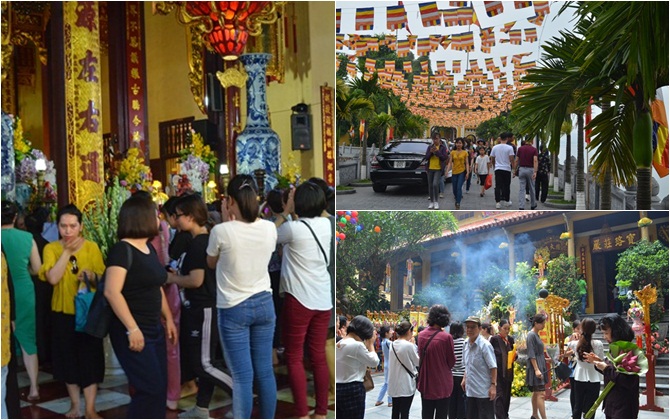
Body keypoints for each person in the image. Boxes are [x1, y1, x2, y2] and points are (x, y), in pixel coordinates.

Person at [206, 175, 278, 419]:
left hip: (234, 308)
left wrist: (227, 222)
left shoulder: (220, 231)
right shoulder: (269, 228)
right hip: (265, 304)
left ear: (230, 201)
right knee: (265, 372)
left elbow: (211, 262)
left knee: (242, 377)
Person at [105, 194, 178, 418]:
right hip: (132, 330)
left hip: (153, 327)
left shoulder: (149, 248)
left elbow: (156, 285)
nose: (159, 218)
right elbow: (111, 291)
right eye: (155, 213)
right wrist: (132, 328)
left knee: (158, 389)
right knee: (150, 388)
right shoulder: (122, 250)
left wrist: (167, 318)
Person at [167, 194, 232, 419]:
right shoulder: (199, 241)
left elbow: (196, 280)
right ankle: (202, 408)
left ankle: (241, 390)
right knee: (204, 360)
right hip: (199, 307)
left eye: (178, 216)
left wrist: (172, 280)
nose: (175, 220)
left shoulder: (200, 244)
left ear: (191, 217)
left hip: (203, 307)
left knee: (203, 363)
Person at [40, 205, 106, 419]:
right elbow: (52, 278)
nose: (68, 231)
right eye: (63, 226)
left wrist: (92, 276)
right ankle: (75, 405)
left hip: (86, 312)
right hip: (62, 312)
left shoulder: (92, 248)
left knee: (90, 359)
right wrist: (66, 252)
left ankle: (90, 408)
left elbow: (102, 278)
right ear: (57, 226)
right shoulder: (51, 249)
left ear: (80, 226)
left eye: (72, 226)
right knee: (67, 359)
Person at [275, 182, 333, 419]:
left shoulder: (293, 228)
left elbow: (269, 235)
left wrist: (285, 211)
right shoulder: (325, 225)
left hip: (299, 299)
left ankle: (301, 413)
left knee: (294, 356)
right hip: (323, 300)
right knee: (317, 355)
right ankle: (321, 413)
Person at [0, 201, 42, 401]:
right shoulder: (27, 238)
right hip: (23, 289)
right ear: (16, 218)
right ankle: (34, 388)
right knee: (27, 338)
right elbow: (37, 268)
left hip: (2, 291)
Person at [585, 314, 638, 419]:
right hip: (612, 402)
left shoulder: (628, 350)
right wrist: (598, 362)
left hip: (624, 405)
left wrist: (605, 367)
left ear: (617, 332)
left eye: (606, 333)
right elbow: (612, 371)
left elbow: (627, 381)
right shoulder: (615, 347)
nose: (604, 337)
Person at [335, 315, 379, 419]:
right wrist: (371, 345)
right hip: (353, 389)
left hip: (338, 388)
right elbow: (374, 362)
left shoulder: (340, 342)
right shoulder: (356, 345)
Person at [417, 304, 456, 419]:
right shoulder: (446, 337)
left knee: (426, 414)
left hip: (426, 383)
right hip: (442, 384)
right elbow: (451, 362)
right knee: (442, 415)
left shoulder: (421, 335)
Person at [461, 316, 497, 419]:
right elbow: (467, 365)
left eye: (473, 327)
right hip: (470, 392)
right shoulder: (465, 344)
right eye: (467, 327)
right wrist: (464, 378)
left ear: (480, 328)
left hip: (483, 393)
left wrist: (493, 385)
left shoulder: (485, 345)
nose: (469, 330)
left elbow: (493, 367)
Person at [570, 318, 604, 419]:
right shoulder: (598, 344)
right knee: (591, 407)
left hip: (579, 376)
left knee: (578, 405)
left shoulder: (575, 344)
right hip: (594, 377)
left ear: (581, 328)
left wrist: (573, 336)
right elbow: (601, 359)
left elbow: (567, 345)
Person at [388, 321, 419, 419]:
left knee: (395, 411)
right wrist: (414, 345)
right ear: (409, 331)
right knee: (405, 412)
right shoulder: (409, 345)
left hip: (394, 384)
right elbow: (418, 362)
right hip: (406, 384)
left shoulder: (392, 345)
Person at [489, 319, 515, 419]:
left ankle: (506, 415)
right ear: (499, 328)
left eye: (508, 329)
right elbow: (491, 355)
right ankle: (501, 417)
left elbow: (513, 352)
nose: (507, 331)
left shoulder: (511, 340)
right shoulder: (494, 339)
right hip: (498, 373)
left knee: (506, 397)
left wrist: (514, 356)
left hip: (508, 372)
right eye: (505, 329)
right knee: (499, 397)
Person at [526, 314, 549, 419]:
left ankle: (534, 414)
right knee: (541, 393)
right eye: (543, 323)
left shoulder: (536, 334)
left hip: (539, 364)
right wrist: (536, 369)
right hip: (536, 366)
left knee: (536, 393)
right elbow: (531, 354)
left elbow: (537, 352)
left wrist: (545, 359)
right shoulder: (531, 335)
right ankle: (544, 418)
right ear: (536, 323)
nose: (544, 325)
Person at [489, 133, 516, 209]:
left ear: (500, 138)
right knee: (507, 185)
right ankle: (507, 201)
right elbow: (512, 159)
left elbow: (493, 158)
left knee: (498, 185)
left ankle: (497, 202)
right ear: (507, 138)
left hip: (498, 168)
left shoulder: (495, 147)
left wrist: (494, 166)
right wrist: (514, 169)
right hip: (507, 168)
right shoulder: (509, 148)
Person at [448, 321, 467, 419]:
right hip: (462, 377)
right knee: (461, 402)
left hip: (450, 376)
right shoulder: (464, 343)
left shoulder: (448, 342)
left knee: (451, 402)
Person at [425, 133, 448, 210]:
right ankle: (431, 201)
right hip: (430, 168)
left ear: (439, 139)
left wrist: (437, 152)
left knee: (435, 184)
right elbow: (426, 157)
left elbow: (444, 157)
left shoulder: (442, 147)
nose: (435, 140)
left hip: (438, 169)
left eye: (437, 139)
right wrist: (431, 152)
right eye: (434, 139)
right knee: (430, 185)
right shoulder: (429, 147)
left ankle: (436, 201)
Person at [446, 138, 470, 210]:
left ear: (462, 144)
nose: (458, 144)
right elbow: (450, 162)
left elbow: (467, 163)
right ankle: (457, 198)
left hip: (462, 172)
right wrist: (447, 170)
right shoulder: (452, 152)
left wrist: (468, 172)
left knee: (459, 187)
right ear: (455, 144)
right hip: (454, 172)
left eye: (460, 143)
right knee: (454, 189)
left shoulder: (465, 152)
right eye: (457, 143)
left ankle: (458, 202)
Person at [564, 320, 581, 415]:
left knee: (580, 390)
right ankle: (574, 411)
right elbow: (565, 354)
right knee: (574, 390)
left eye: (580, 329)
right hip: (573, 366)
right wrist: (573, 343)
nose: (579, 331)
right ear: (573, 329)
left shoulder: (583, 339)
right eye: (577, 329)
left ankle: (579, 410)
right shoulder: (568, 339)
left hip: (582, 366)